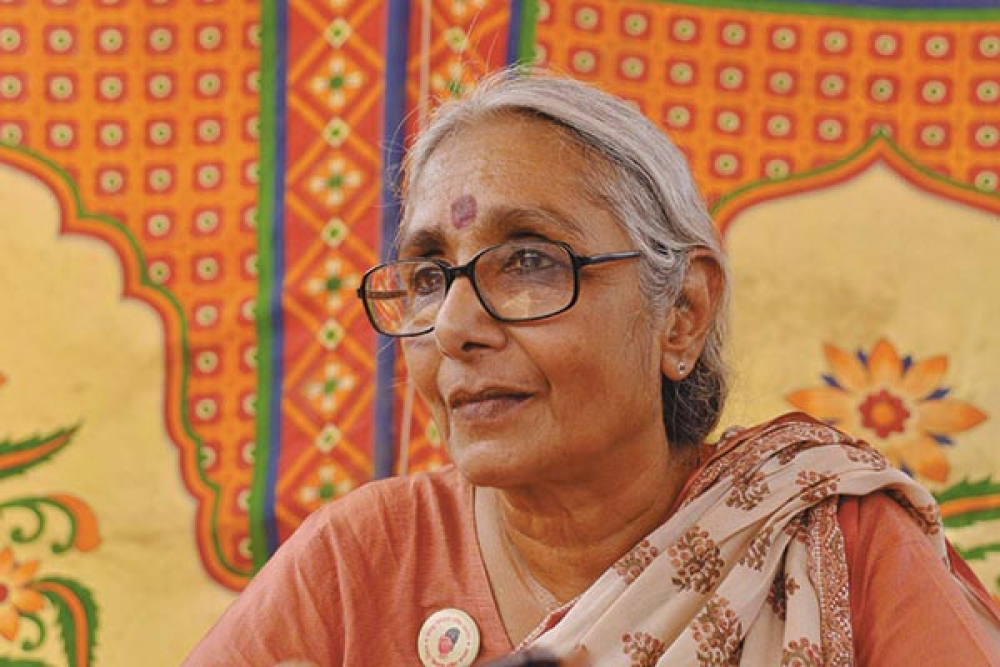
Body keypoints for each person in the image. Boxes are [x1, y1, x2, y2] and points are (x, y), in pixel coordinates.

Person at [184, 70, 1000, 666]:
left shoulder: (832, 542)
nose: (456, 326)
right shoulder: (363, 559)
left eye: (529, 261)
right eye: (430, 275)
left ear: (682, 312)